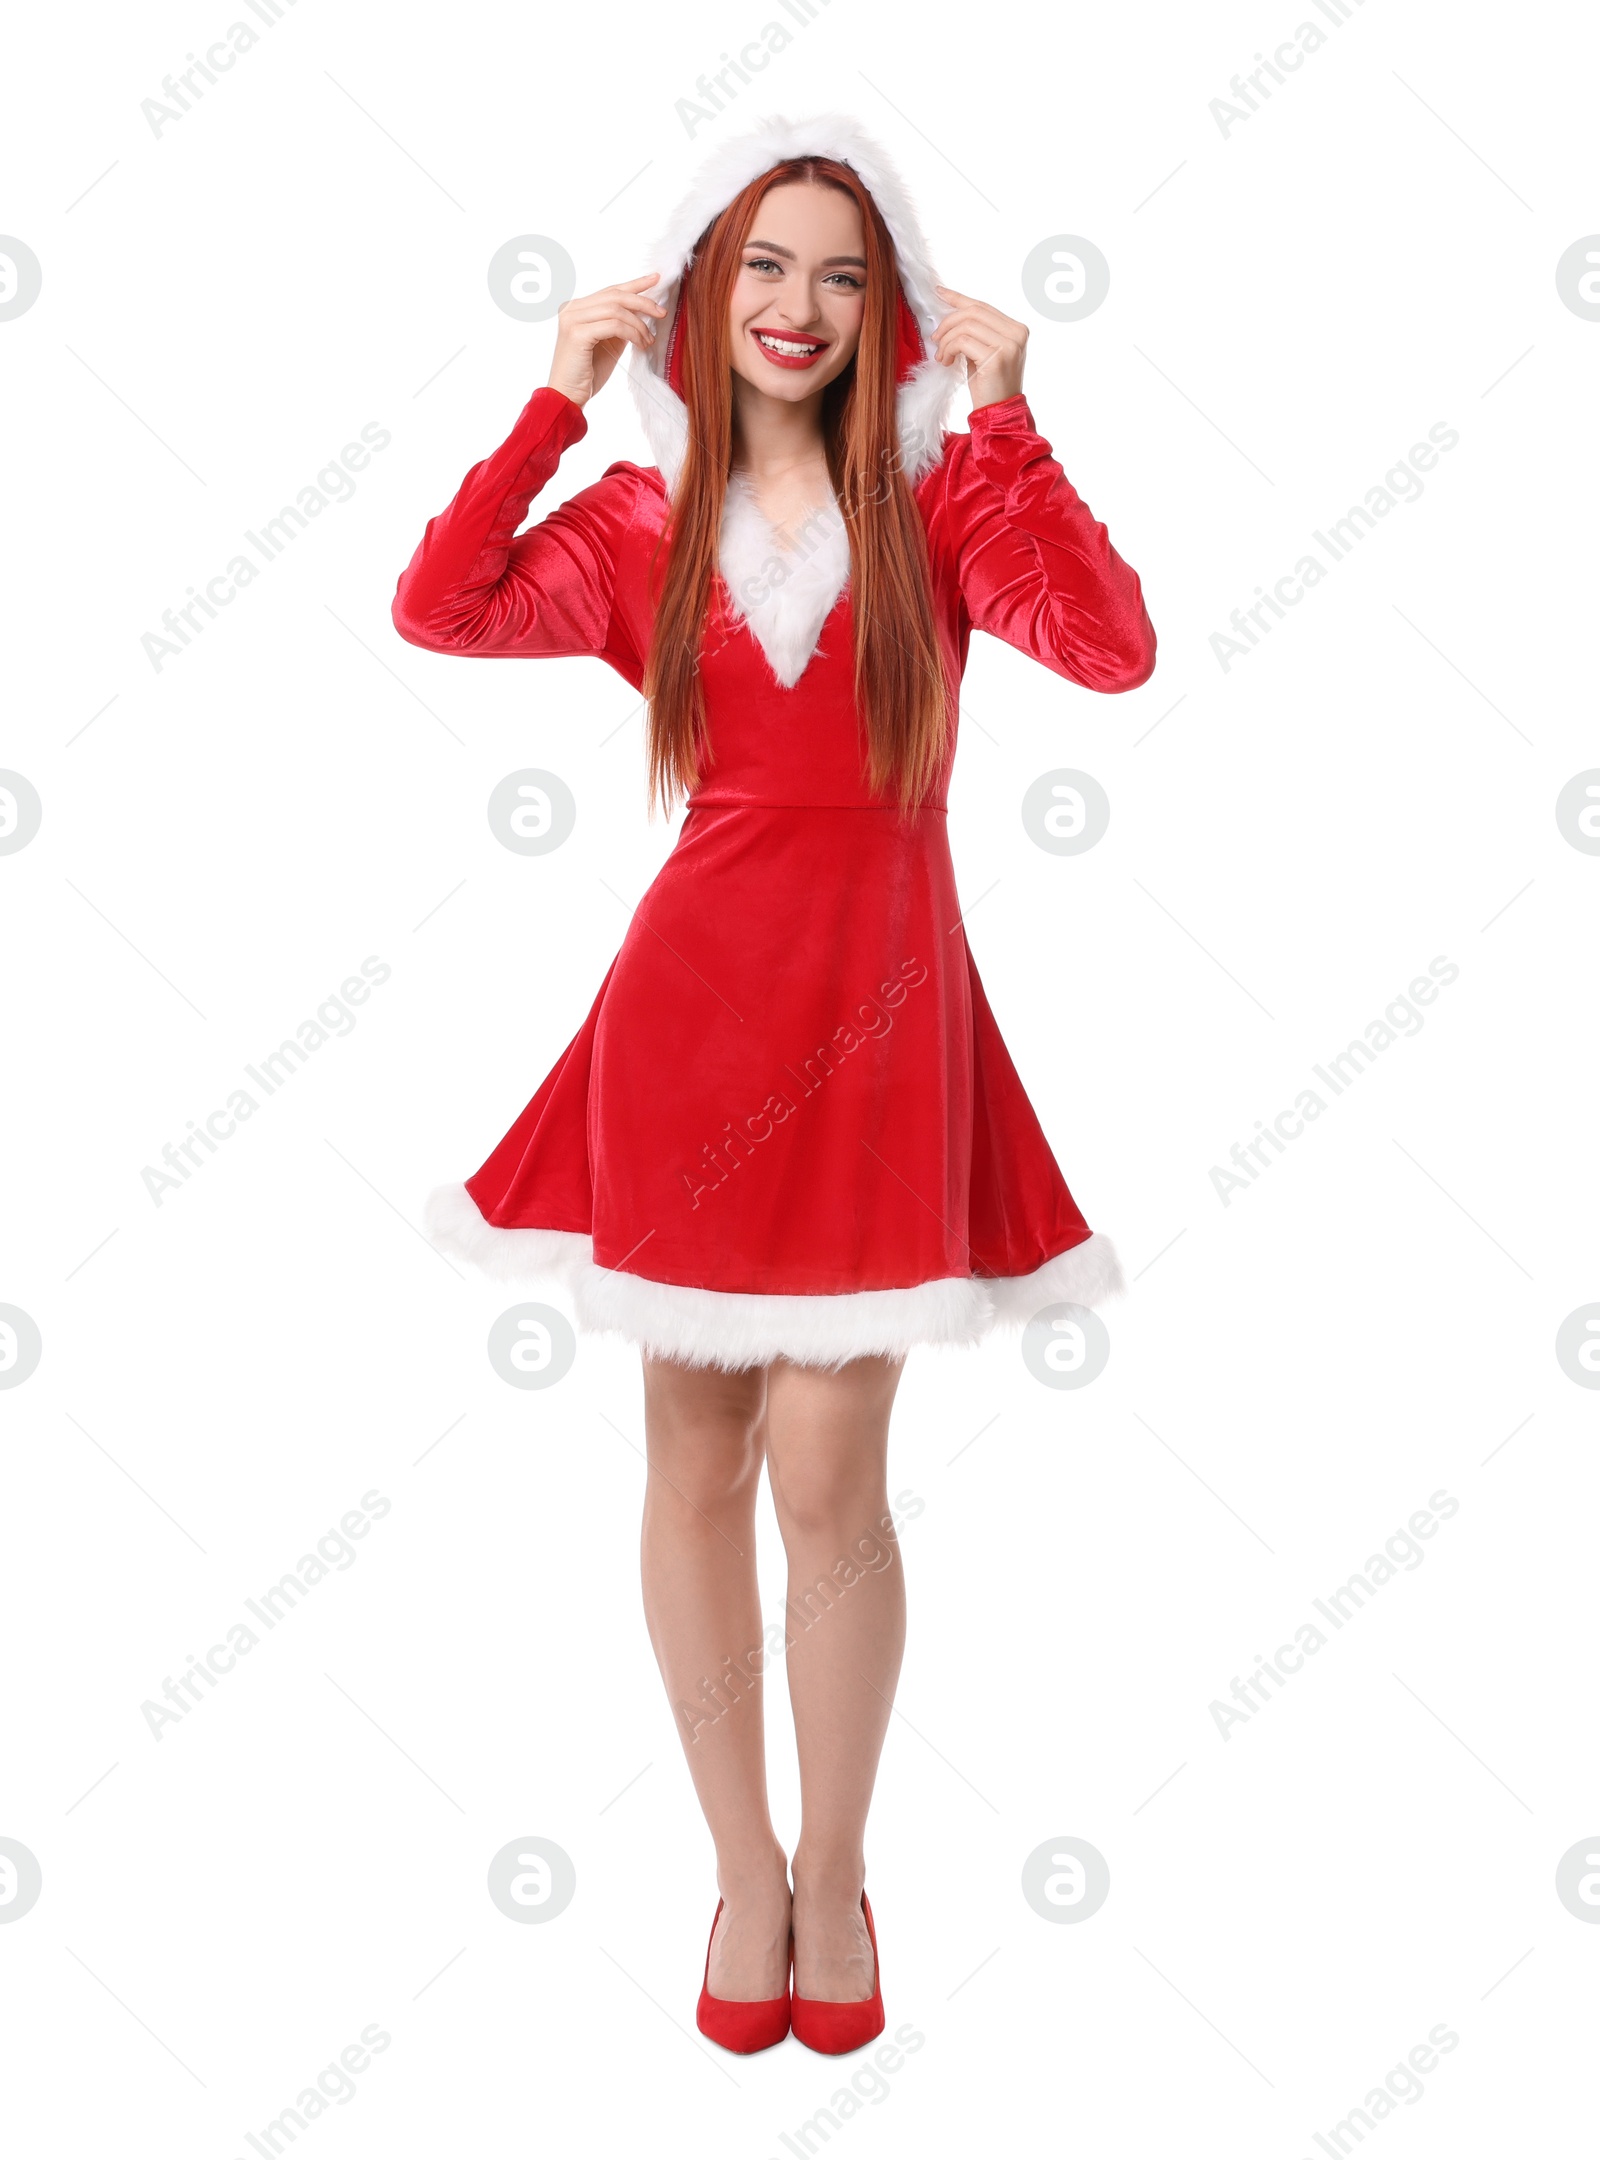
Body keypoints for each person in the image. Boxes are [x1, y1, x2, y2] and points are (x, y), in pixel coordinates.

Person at [392, 112, 1156, 2055]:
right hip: (687, 1027)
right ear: (704, 298)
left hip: (885, 1029)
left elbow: (1112, 647)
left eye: (838, 271)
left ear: (886, 306)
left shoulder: (943, 511)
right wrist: (550, 403)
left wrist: (1008, 418)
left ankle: (840, 1865)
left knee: (830, 1472)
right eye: (760, 268)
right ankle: (739, 1872)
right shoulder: (638, 524)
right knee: (691, 1462)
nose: (797, 306)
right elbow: (442, 606)